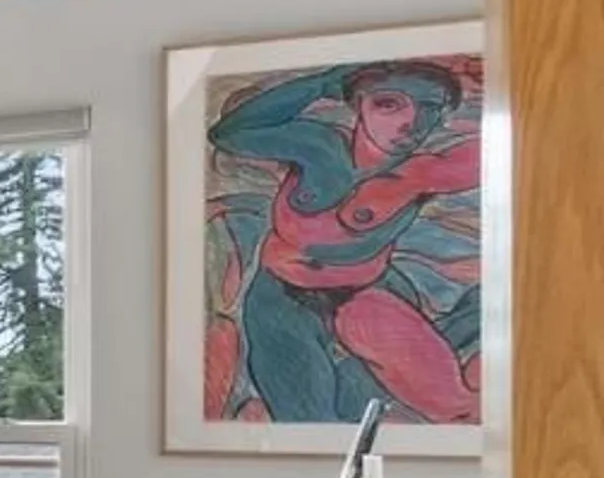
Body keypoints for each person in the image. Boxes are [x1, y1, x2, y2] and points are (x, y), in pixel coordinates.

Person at [205, 58, 482, 424]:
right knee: (305, 417)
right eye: (388, 104)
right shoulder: (317, 148)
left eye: (429, 108)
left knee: (365, 410)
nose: (410, 122)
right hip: (285, 298)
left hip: (370, 294)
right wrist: (321, 82)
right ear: (357, 104)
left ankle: (474, 315)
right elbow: (227, 134)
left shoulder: (425, 173)